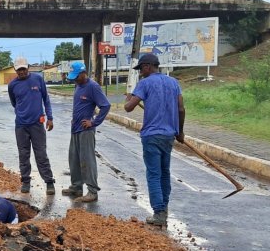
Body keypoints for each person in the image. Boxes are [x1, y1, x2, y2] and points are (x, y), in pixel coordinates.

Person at [124, 53, 186, 226]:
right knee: (165, 172)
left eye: (141, 70)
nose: (140, 74)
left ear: (147, 67)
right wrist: (180, 132)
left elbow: (128, 108)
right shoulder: (174, 83)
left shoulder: (144, 84)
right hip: (168, 136)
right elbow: (181, 109)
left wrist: (129, 98)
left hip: (151, 136)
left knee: (154, 174)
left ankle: (158, 213)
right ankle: (164, 208)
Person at [61, 61, 110, 202]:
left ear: (84, 73)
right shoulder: (78, 85)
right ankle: (76, 187)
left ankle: (92, 191)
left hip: (86, 130)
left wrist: (93, 122)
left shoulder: (93, 87)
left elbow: (105, 105)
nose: (75, 79)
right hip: (75, 128)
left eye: (77, 76)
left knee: (87, 160)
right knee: (74, 159)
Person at [7, 57, 56, 195]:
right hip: (21, 125)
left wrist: (50, 117)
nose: (21, 72)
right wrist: (22, 112)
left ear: (27, 67)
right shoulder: (12, 85)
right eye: (19, 70)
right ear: (15, 70)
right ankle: (26, 182)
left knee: (41, 154)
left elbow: (46, 99)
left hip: (37, 124)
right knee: (23, 155)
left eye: (23, 69)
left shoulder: (38, 80)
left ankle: (49, 182)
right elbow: (14, 102)